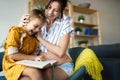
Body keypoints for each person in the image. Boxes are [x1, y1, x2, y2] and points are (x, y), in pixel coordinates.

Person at [20, 0, 74, 80]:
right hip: (41, 64)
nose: (50, 12)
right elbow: (23, 43)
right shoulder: (40, 23)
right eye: (49, 7)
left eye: (55, 10)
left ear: (60, 12)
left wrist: (40, 39)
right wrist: (21, 25)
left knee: (40, 76)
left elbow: (60, 52)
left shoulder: (64, 25)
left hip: (62, 65)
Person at [2, 9, 46, 80]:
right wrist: (34, 58)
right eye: (35, 26)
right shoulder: (15, 32)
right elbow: (12, 55)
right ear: (27, 21)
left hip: (25, 64)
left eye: (39, 28)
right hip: (12, 65)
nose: (37, 30)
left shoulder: (33, 38)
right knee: (35, 72)